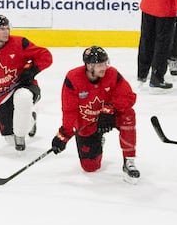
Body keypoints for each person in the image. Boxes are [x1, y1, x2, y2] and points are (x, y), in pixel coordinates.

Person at [49, 46, 139, 182]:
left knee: (128, 115)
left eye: (105, 63)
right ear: (89, 66)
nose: (104, 67)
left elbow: (128, 96)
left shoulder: (112, 74)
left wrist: (110, 109)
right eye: (99, 65)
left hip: (109, 116)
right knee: (90, 167)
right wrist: (64, 134)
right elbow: (69, 110)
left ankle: (129, 162)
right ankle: (98, 139)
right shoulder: (73, 78)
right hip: (87, 124)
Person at [0, 14, 53, 151]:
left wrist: (31, 71)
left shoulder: (20, 43)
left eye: (7, 28)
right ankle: (31, 120)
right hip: (3, 95)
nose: (6, 31)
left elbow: (46, 56)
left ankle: (21, 138)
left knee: (23, 98)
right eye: (2, 28)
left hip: (24, 86)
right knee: (9, 139)